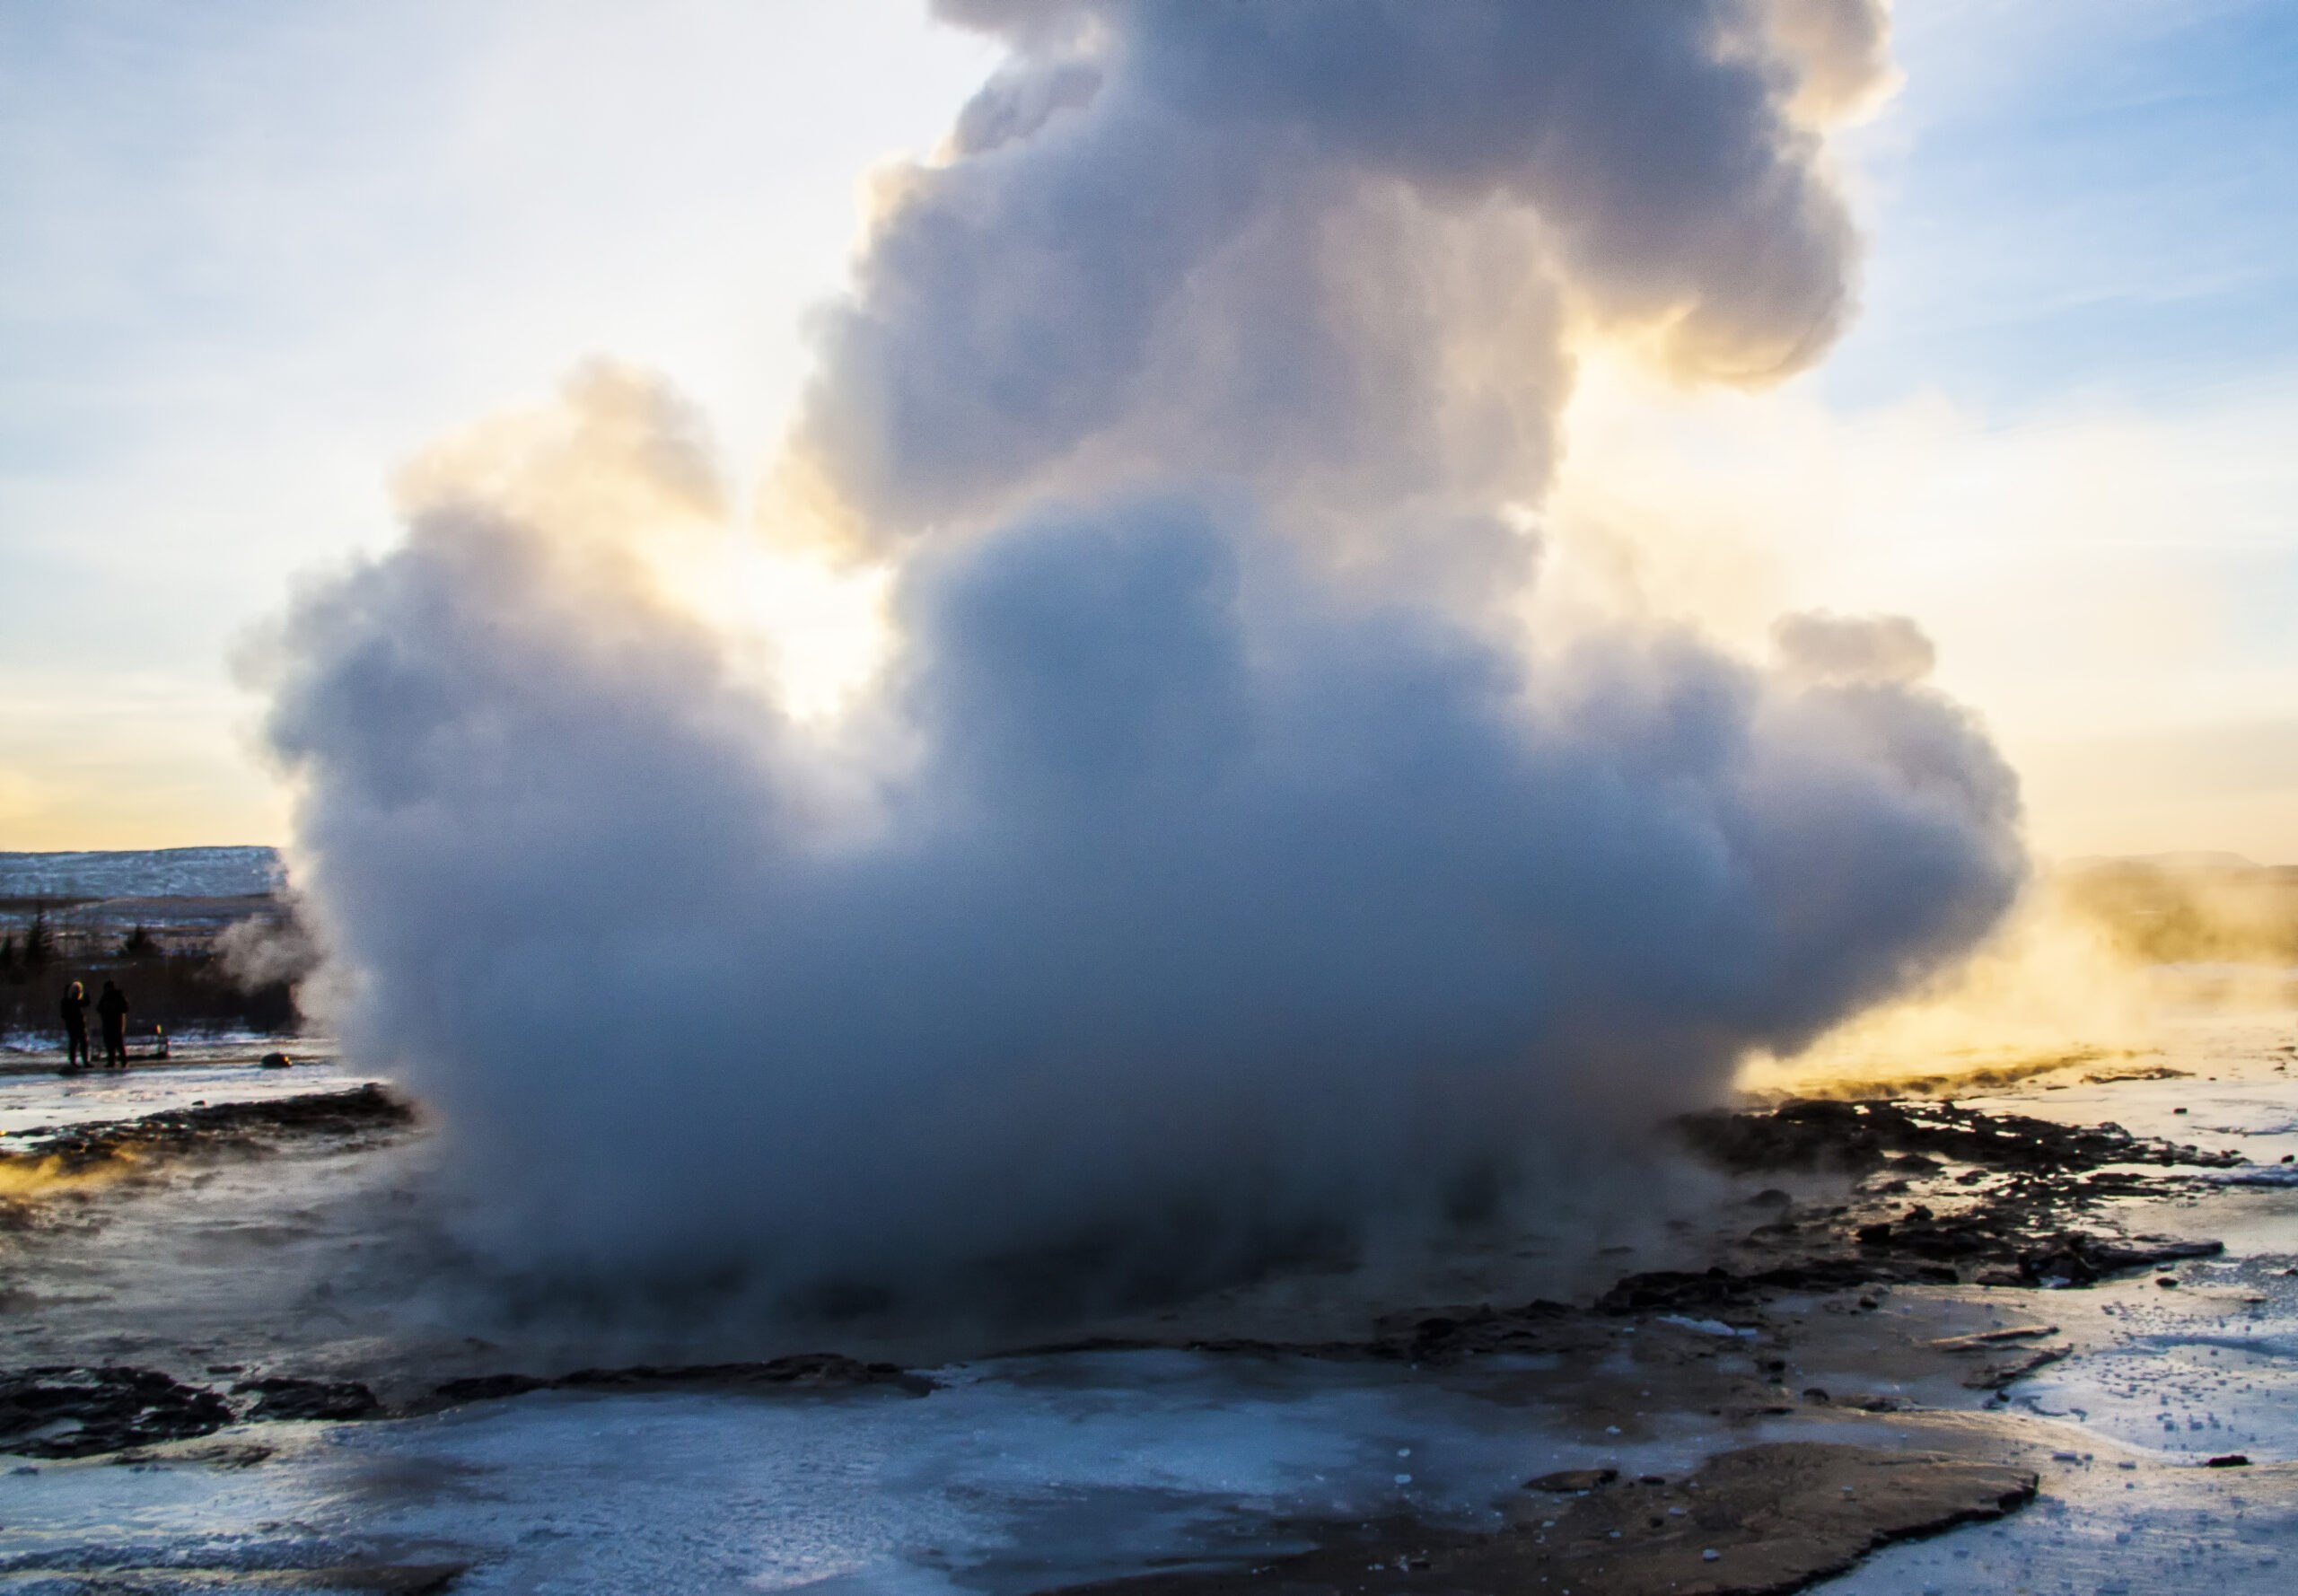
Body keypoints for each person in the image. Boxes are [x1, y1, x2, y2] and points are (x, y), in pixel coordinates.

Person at [96, 979, 130, 1068]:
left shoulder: (113, 996)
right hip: (113, 1024)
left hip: (113, 1024)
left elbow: (125, 1008)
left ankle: (117, 1061)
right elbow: (99, 1009)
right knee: (115, 1044)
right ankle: (118, 1061)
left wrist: (112, 1009)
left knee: (114, 1044)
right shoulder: (110, 997)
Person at [59, 981, 91, 1071]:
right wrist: (86, 994)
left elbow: (85, 1003)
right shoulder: (70, 1001)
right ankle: (79, 1061)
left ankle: (80, 1061)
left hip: (75, 1025)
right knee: (77, 1043)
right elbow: (85, 1003)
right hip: (75, 1025)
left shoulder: (68, 1001)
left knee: (78, 1043)